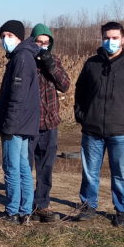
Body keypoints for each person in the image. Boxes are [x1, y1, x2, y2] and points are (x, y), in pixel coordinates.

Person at [72, 20, 124, 227]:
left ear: (123, 39)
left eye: (115, 38)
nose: (111, 41)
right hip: (92, 129)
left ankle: (122, 210)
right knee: (90, 172)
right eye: (107, 38)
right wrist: (81, 114)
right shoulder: (92, 63)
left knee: (121, 174)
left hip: (121, 130)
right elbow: (80, 90)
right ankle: (88, 206)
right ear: (102, 39)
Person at [0, 20, 40, 224]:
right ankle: (25, 210)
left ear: (19, 37)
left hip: (16, 124)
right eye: (3, 36)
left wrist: (8, 125)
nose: (5, 40)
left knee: (12, 168)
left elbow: (17, 96)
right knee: (23, 166)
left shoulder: (21, 58)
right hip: (24, 123)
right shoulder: (26, 56)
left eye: (10, 36)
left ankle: (12, 211)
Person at [28, 23, 72, 222]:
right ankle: (25, 205)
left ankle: (42, 204)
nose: (43, 46)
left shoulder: (54, 61)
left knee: (45, 167)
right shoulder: (25, 60)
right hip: (29, 123)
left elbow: (65, 85)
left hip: (50, 122)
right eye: (39, 42)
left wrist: (50, 66)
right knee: (26, 166)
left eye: (46, 42)